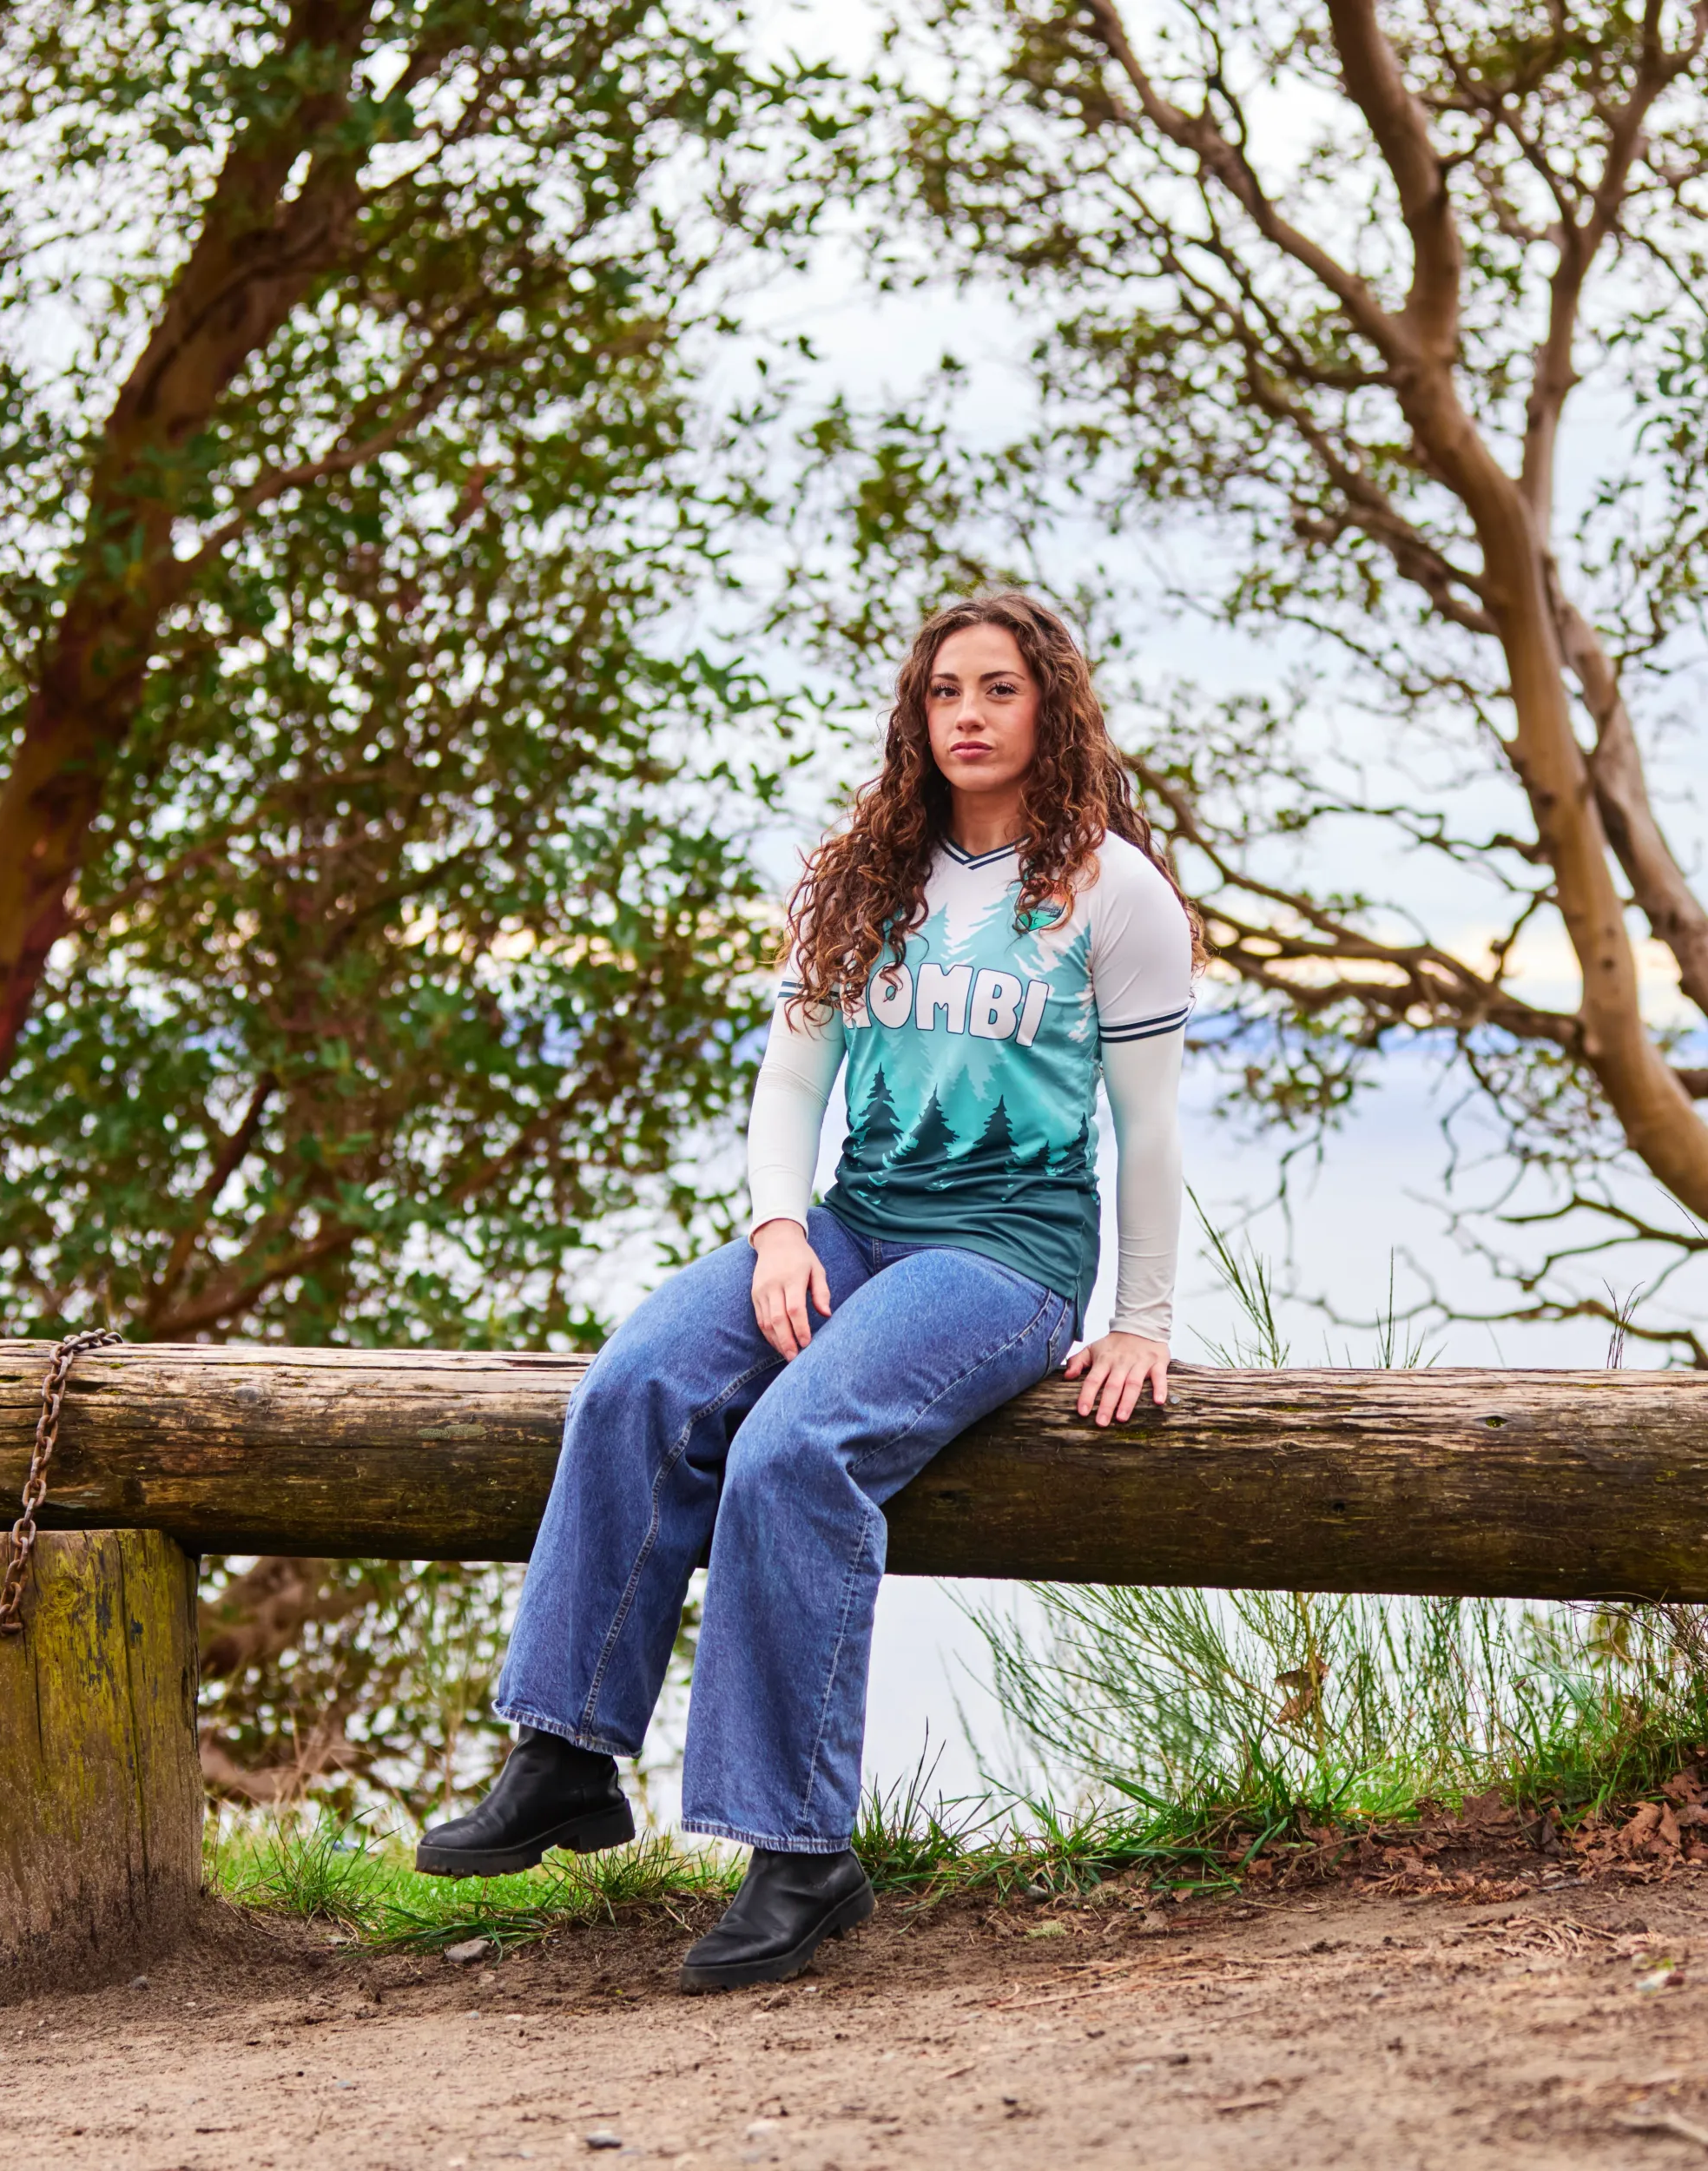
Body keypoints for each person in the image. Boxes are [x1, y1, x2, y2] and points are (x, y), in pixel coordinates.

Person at [416, 591, 1204, 1991]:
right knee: (637, 1379)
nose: (969, 715)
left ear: (1051, 707)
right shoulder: (864, 874)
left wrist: (1142, 1320)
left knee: (792, 1451)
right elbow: (790, 1084)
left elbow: (1149, 1128)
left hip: (1006, 1260)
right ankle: (566, 1756)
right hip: (852, 1226)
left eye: (1000, 689)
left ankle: (800, 1854)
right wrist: (781, 1232)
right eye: (945, 691)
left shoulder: (1114, 891)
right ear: (917, 715)